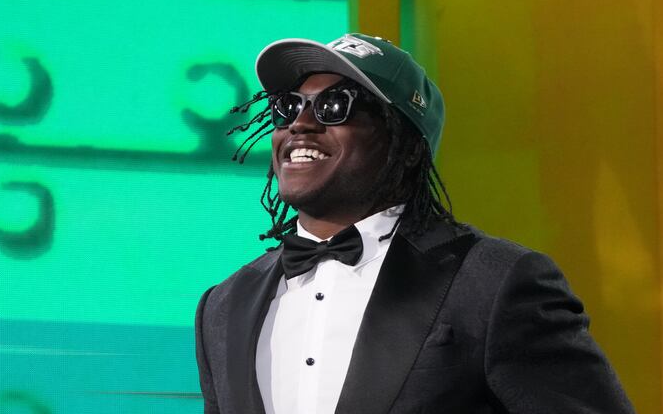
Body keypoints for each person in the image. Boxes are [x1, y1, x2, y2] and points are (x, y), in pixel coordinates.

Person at [194, 33, 634, 414]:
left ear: (404, 144)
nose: (301, 125)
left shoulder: (496, 284)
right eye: (287, 107)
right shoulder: (225, 305)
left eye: (334, 106)